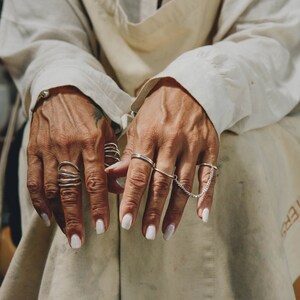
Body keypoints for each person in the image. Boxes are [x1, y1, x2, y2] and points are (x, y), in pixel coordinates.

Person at [0, 0, 300, 299]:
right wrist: (62, 83)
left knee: (219, 158)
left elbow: (275, 36)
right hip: (94, 93)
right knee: (72, 152)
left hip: (247, 96)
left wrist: (200, 84)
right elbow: (42, 31)